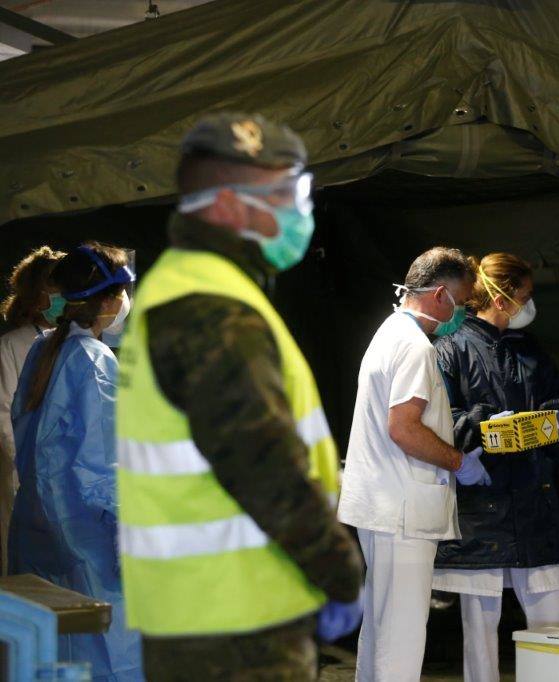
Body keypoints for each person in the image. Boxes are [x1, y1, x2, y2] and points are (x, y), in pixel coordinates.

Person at [115, 112, 364, 681]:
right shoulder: (212, 309)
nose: (299, 212)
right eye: (285, 194)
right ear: (228, 204)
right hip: (236, 624)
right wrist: (339, 571)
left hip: (211, 612)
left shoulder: (188, 288)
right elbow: (263, 463)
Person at [339, 246, 491, 682]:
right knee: (401, 637)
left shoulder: (389, 332)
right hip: (400, 510)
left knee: (384, 629)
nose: (462, 313)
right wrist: (459, 461)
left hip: (386, 508)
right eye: (461, 303)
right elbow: (403, 428)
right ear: (441, 294)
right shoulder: (413, 347)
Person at [432, 253, 559, 682]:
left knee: (554, 618)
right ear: (503, 296)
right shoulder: (450, 348)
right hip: (482, 510)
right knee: (480, 630)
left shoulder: (529, 350)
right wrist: (481, 426)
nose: (528, 306)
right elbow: (439, 420)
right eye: (525, 295)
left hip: (533, 503)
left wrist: (553, 420)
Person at [9, 243, 142, 680]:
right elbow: (100, 469)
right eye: (124, 294)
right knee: (107, 657)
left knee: (47, 656)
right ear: (109, 299)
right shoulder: (93, 360)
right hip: (87, 543)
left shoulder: (45, 349)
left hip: (38, 530)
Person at [0, 245, 65, 575]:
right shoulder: (13, 345)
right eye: (57, 288)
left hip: (62, 476)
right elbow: (3, 416)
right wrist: (25, 464)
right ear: (38, 294)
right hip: (22, 473)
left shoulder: (72, 343)